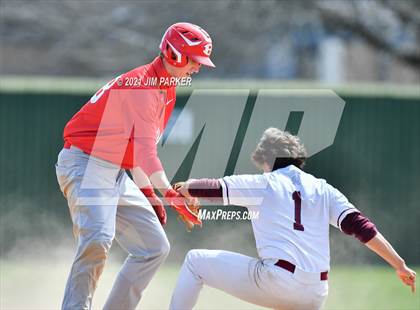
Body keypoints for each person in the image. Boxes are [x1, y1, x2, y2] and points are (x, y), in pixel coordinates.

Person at [55, 22, 214, 309]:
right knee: (98, 239)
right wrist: (168, 193)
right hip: (85, 164)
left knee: (154, 248)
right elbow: (144, 153)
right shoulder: (143, 85)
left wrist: (151, 194)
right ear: (174, 54)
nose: (197, 68)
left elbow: (136, 150)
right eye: (194, 60)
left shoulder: (166, 90)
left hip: (114, 171)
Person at [170, 127, 416, 309]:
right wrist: (399, 264)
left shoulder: (263, 183)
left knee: (195, 262)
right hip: (316, 292)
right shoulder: (323, 188)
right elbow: (362, 228)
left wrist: (184, 187)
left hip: (278, 280)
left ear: (266, 160)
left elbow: (212, 187)